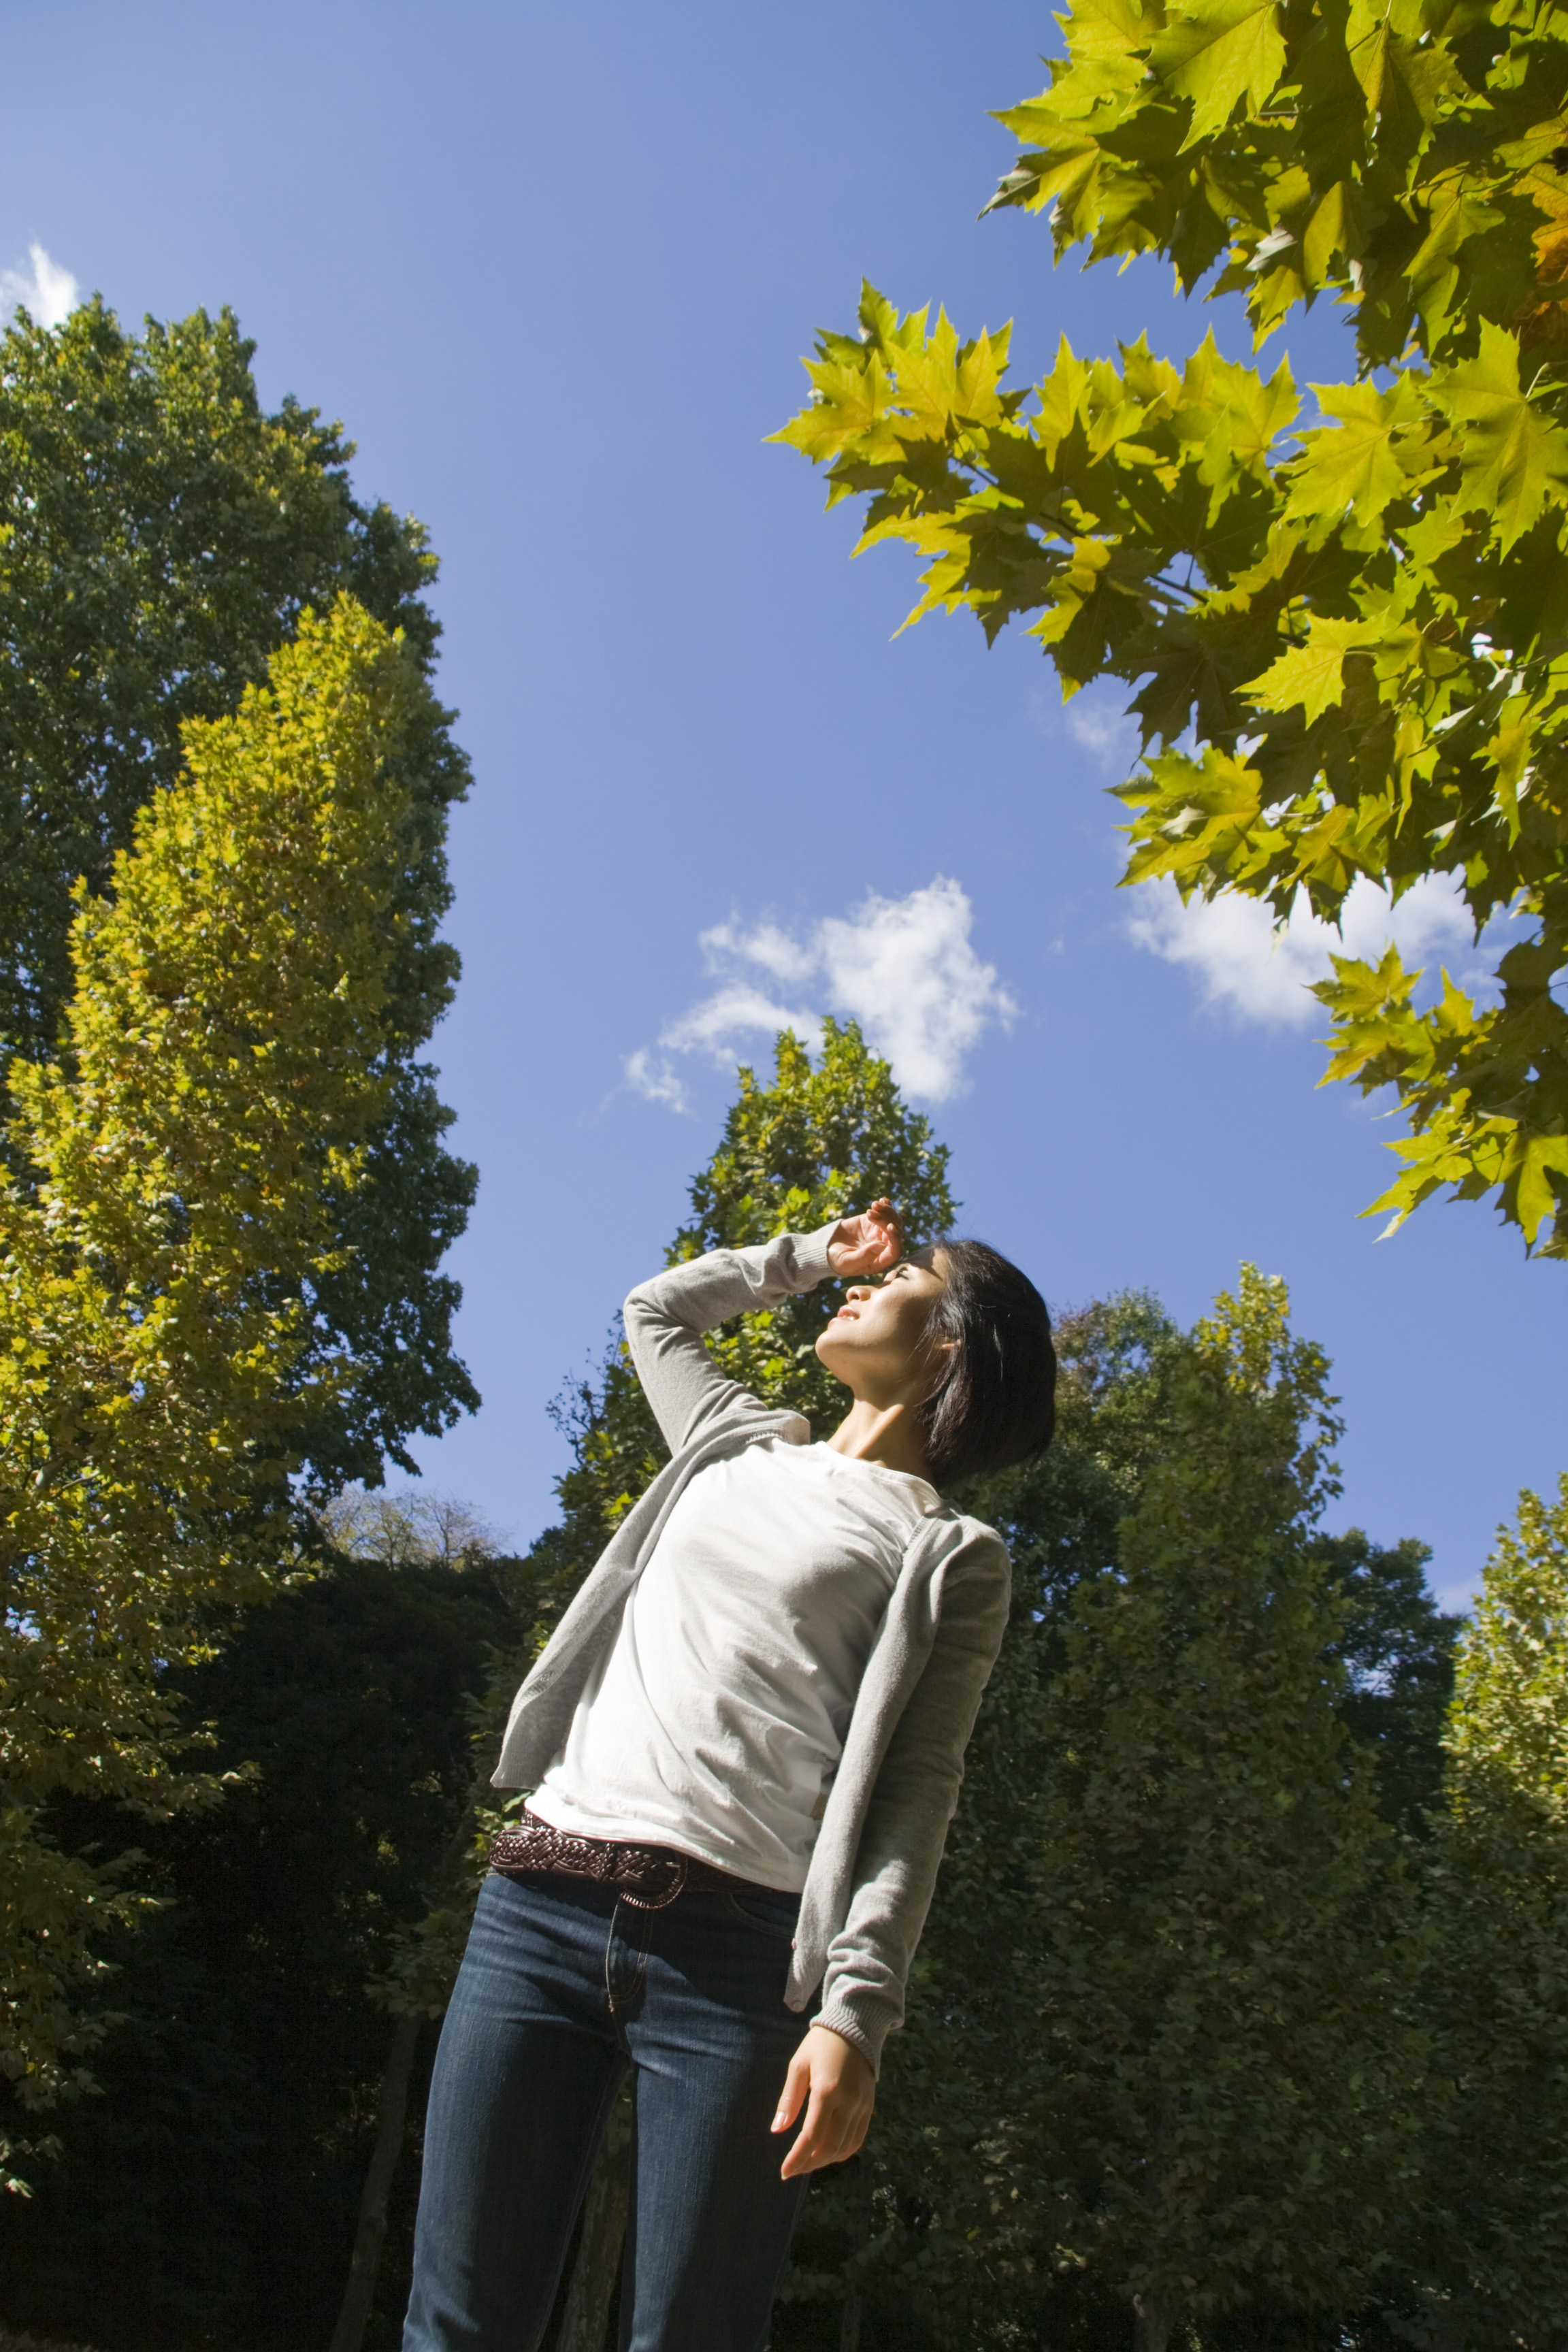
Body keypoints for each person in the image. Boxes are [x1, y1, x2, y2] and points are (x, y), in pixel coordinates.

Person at [402, 1198, 1056, 2352]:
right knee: (460, 2325)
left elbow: (917, 1796)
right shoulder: (735, 1439)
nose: (866, 1283)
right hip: (540, 1906)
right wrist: (806, 1258)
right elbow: (654, 1310)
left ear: (951, 1340)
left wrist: (857, 2014)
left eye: (902, 1277)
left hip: (737, 1966)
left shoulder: (950, 1555)